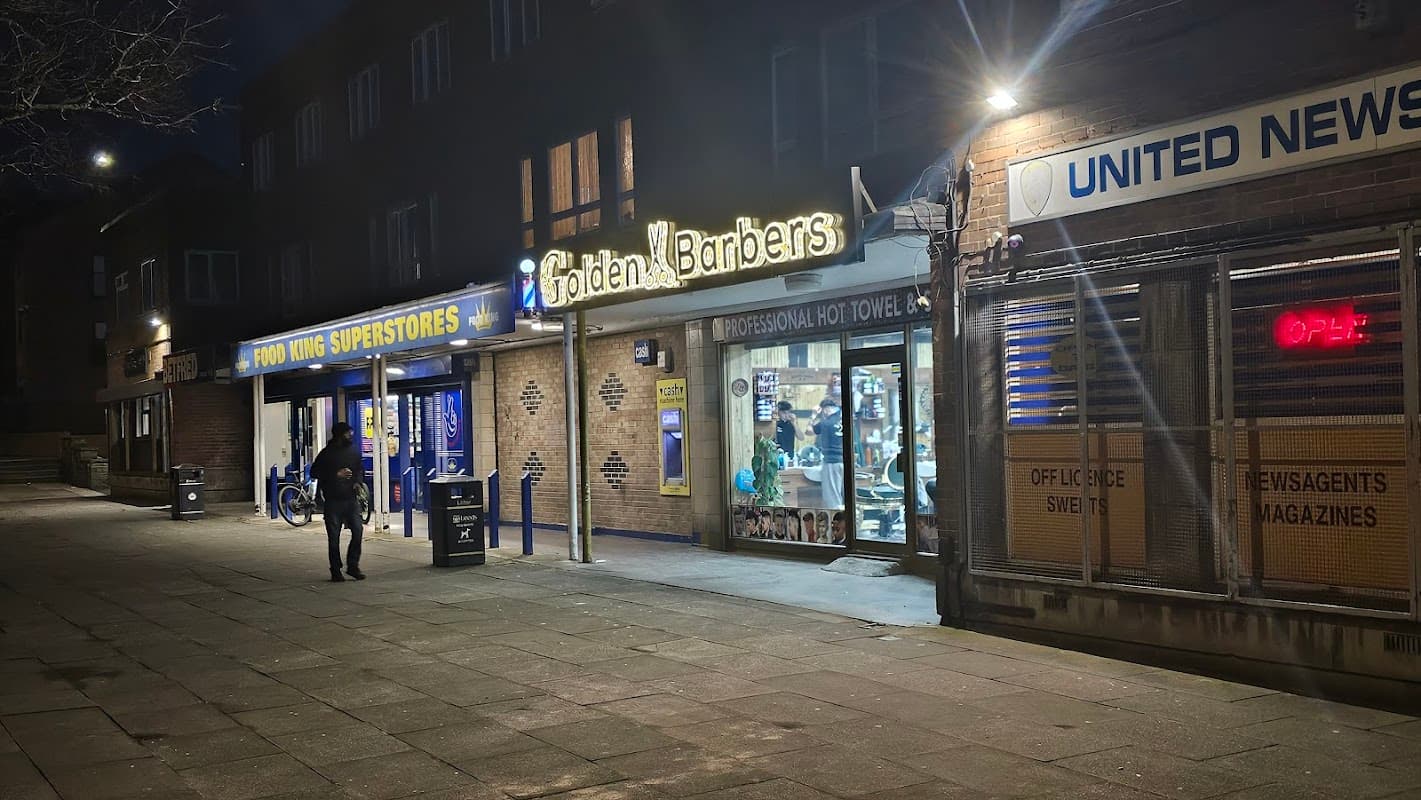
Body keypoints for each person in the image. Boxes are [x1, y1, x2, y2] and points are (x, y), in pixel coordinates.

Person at [311, 422, 366, 582]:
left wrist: (357, 481)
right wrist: (336, 474)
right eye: (348, 433)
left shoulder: (354, 452)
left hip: (351, 499)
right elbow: (314, 472)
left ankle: (353, 565)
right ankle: (335, 569)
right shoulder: (327, 454)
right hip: (333, 500)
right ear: (340, 435)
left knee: (358, 531)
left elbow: (358, 469)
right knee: (334, 537)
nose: (351, 436)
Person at [809, 397, 845, 509]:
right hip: (844, 461)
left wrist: (813, 415)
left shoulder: (826, 423)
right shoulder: (843, 419)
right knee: (842, 495)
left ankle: (837, 521)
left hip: (832, 462)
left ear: (825, 410)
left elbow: (810, 431)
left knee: (832, 498)